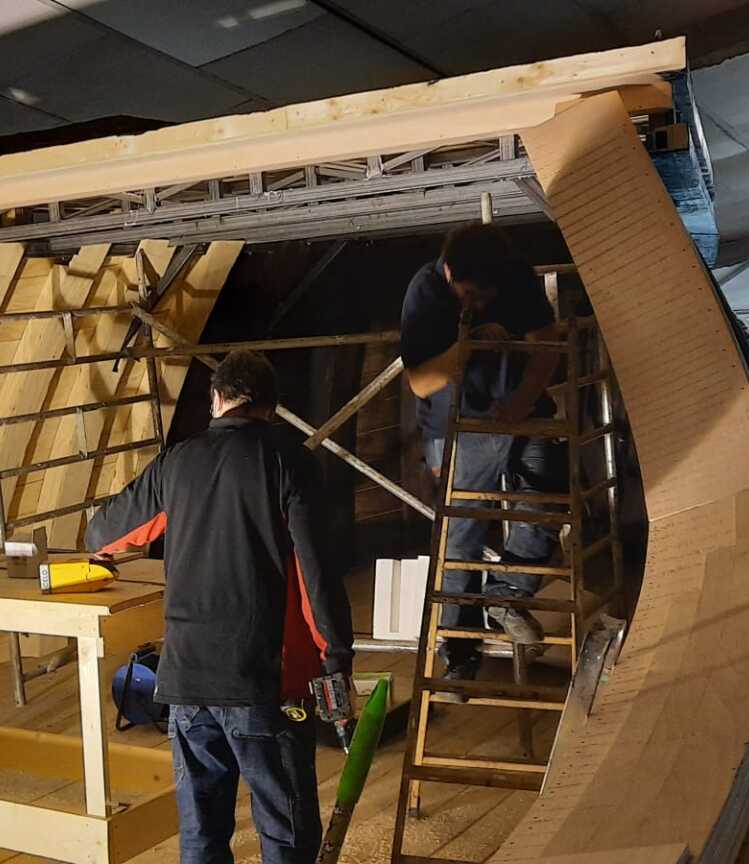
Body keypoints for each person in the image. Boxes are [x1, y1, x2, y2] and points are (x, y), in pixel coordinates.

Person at [86, 350, 355, 864]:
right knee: (286, 832)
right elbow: (315, 573)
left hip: (186, 682)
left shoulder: (177, 462)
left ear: (216, 399)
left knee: (202, 835)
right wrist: (336, 659)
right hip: (262, 683)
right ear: (271, 408)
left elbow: (102, 535)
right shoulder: (290, 462)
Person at [399, 223, 567, 695]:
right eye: (469, 295)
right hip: (459, 425)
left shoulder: (514, 275)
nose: (476, 303)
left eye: (485, 296)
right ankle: (458, 652)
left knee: (547, 500)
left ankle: (507, 596)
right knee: (461, 537)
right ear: (450, 272)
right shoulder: (427, 292)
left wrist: (522, 400)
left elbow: (547, 342)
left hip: (519, 411)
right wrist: (468, 347)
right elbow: (421, 381)